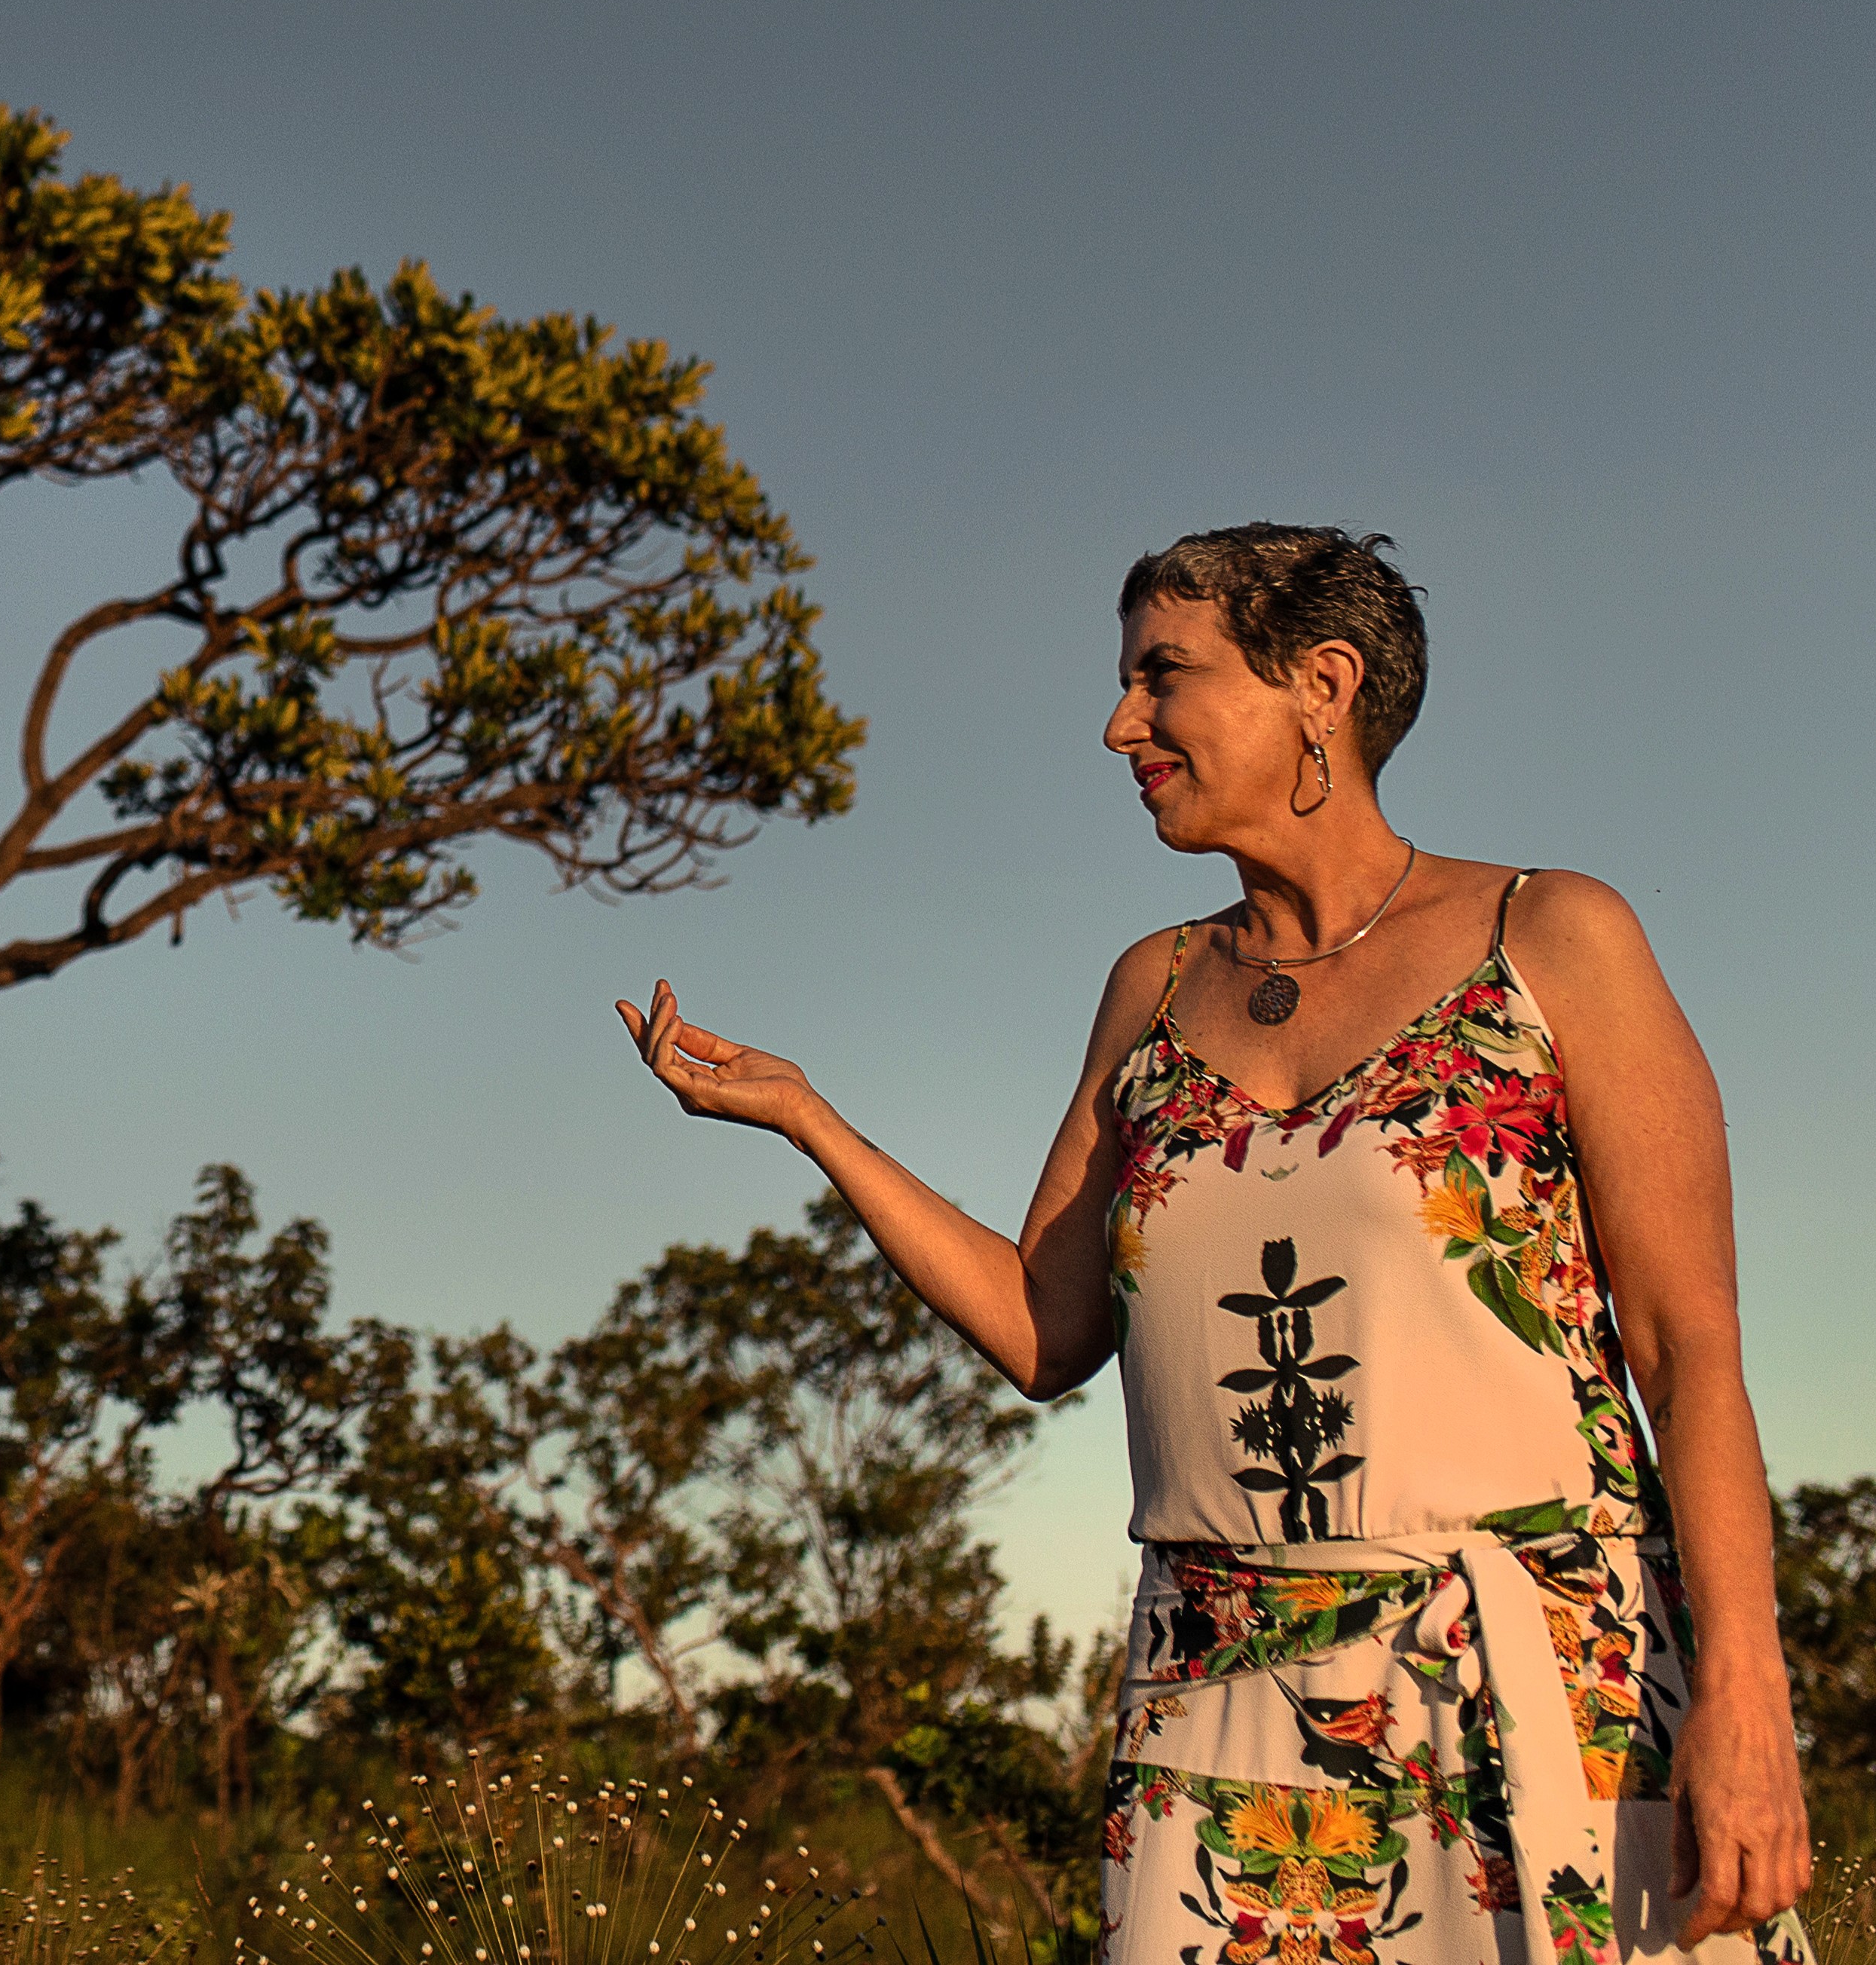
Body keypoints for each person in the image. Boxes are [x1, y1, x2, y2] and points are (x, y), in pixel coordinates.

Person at [617, 522, 1811, 1965]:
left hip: (1544, 1688)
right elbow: (1042, 1330)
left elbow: (1691, 1352)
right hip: (1216, 1696)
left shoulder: (1551, 936)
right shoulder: (1154, 982)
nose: (1121, 724)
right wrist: (812, 1120)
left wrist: (1747, 1689)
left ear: (1320, 682)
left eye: (1161, 678)